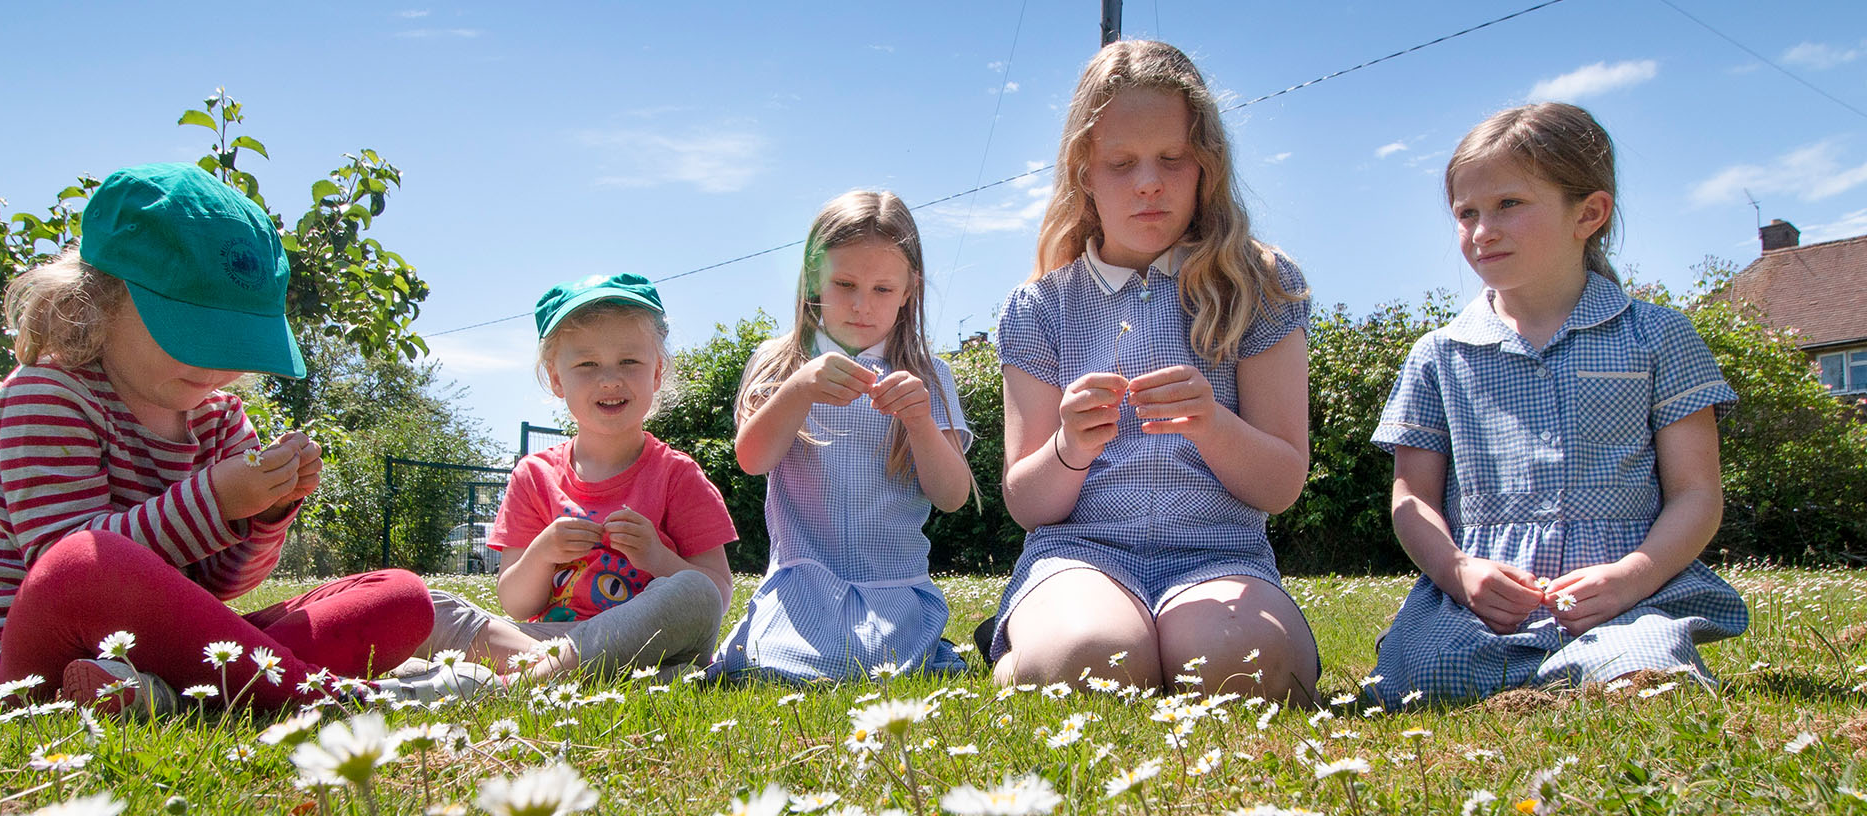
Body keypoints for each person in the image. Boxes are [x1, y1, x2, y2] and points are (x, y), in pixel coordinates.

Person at [0, 163, 487, 714]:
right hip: (31, 662)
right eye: (193, 334)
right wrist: (214, 501)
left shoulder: (220, 419)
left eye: (233, 343)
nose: (215, 365)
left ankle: (176, 699)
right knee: (85, 561)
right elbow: (67, 575)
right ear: (100, 300)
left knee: (399, 597)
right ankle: (335, 699)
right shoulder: (47, 395)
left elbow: (221, 584)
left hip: (174, 654)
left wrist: (262, 512)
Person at [1367, 103, 1746, 703]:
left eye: (1509, 205)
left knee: (1645, 677)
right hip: (1484, 603)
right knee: (1422, 679)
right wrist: (1460, 573)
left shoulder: (1658, 337)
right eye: (1466, 213)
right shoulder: (1438, 355)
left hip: (1621, 600)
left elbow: (1697, 493)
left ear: (1589, 214)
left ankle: (1604, 668)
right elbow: (1411, 498)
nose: (1482, 230)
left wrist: (1631, 578)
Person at [985, 40, 1319, 701]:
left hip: (1221, 557)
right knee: (1090, 658)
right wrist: (1070, 446)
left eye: (1172, 159)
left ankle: (1141, 645)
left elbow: (1281, 483)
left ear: (1207, 168)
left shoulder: (1260, 285)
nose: (1148, 182)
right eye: (1121, 163)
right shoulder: (1042, 306)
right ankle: (1026, 649)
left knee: (1238, 664)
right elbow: (1028, 502)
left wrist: (1212, 425)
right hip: (1079, 558)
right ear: (1083, 172)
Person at [707, 191, 975, 683]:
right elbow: (752, 459)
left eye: (882, 289)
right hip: (802, 585)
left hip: (895, 585)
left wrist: (919, 422)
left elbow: (953, 495)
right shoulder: (779, 363)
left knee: (887, 670)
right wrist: (797, 390)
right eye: (844, 283)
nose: (860, 305)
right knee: (785, 668)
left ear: (910, 289)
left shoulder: (928, 375)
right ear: (813, 279)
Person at [415, 274, 735, 683]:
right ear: (556, 378)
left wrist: (656, 557)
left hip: (646, 639)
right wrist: (543, 551)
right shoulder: (534, 476)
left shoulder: (678, 475)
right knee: (428, 608)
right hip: (547, 639)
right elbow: (515, 602)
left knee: (694, 593)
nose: (609, 379)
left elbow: (716, 594)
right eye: (587, 364)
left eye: (629, 362)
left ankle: (522, 681)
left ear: (656, 373)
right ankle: (571, 671)